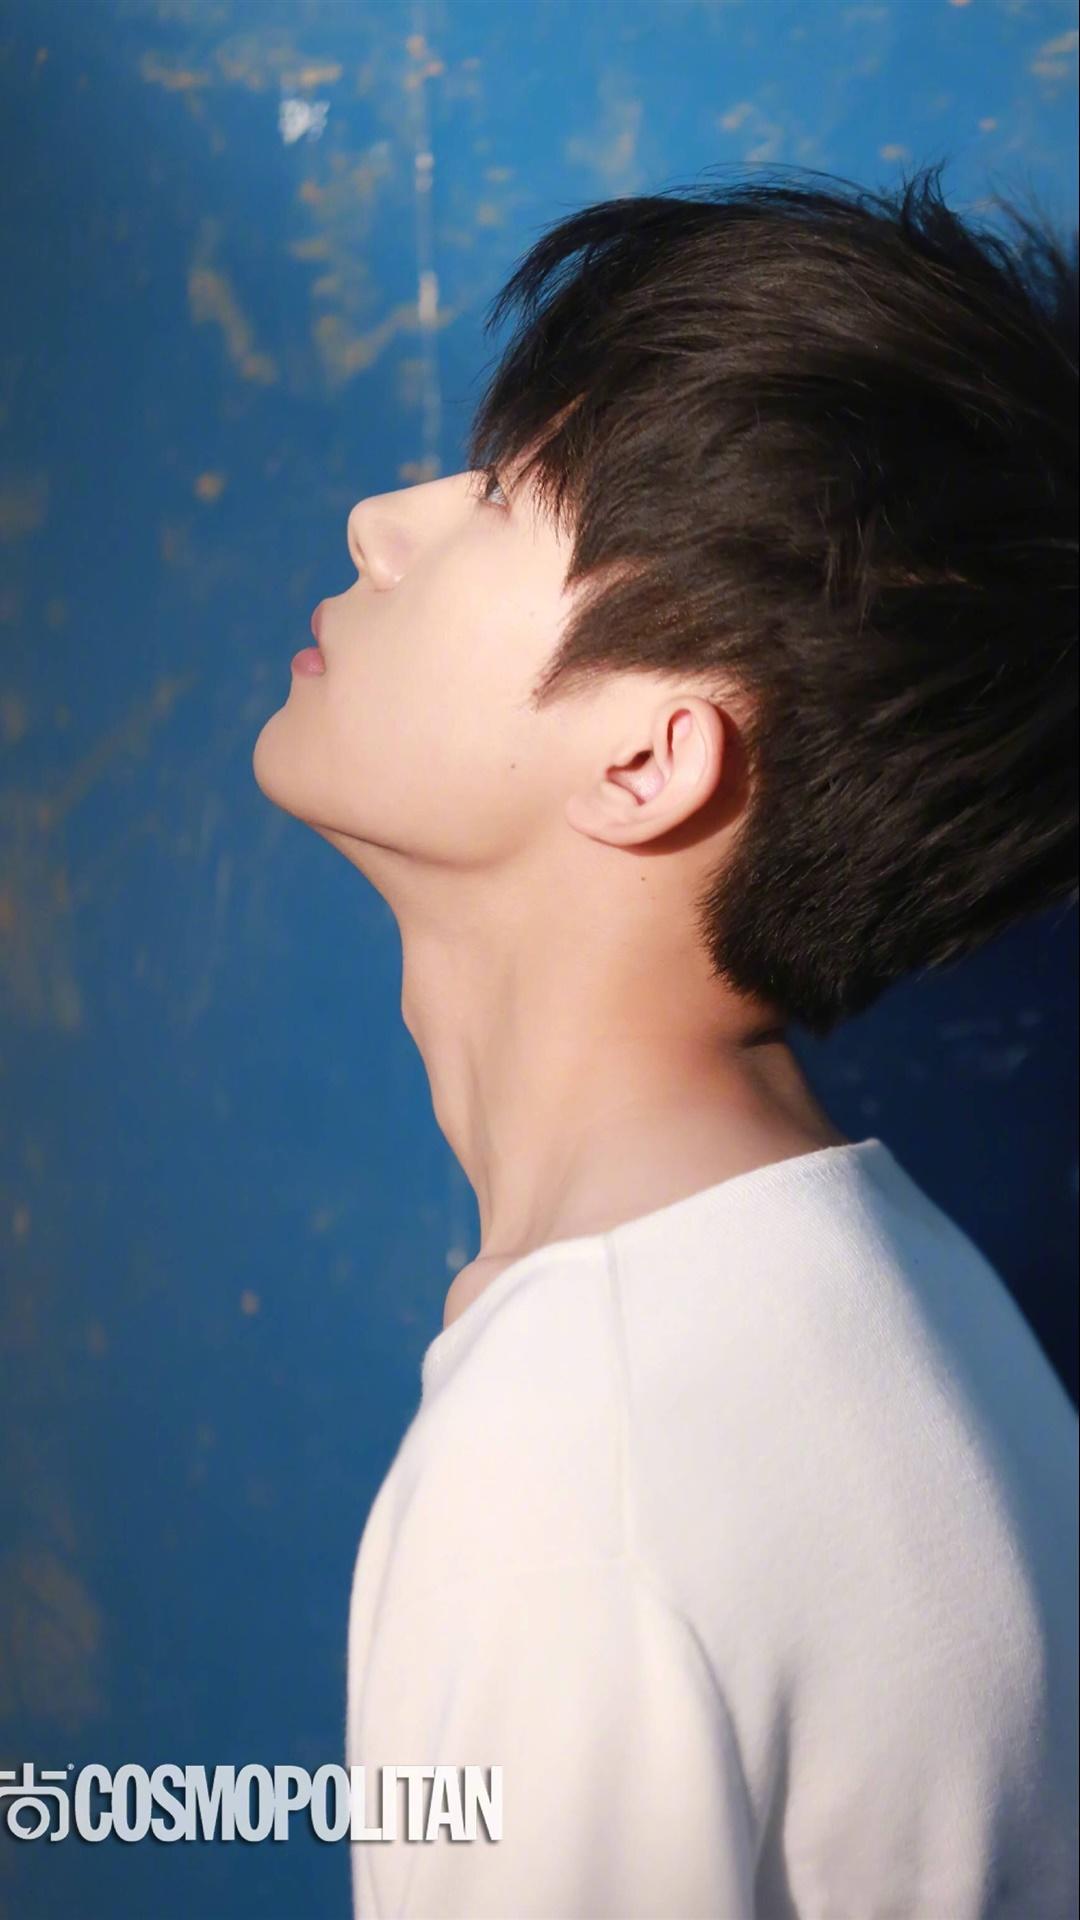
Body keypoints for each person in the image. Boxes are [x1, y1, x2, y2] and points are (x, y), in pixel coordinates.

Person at [252, 162, 1078, 1917]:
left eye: (506, 499)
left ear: (646, 759)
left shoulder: (579, 1461)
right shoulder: (904, 1296)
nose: (383, 524)